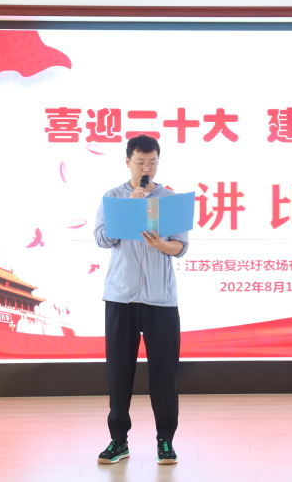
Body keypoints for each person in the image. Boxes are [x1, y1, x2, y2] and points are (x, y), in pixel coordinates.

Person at [93, 134, 188, 466]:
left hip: (161, 298)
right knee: (119, 371)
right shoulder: (113, 197)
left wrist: (162, 245)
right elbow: (102, 239)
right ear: (128, 162)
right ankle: (118, 440)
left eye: (152, 163)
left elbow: (181, 246)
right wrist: (131, 211)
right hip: (121, 296)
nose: (146, 169)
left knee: (165, 373)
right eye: (140, 162)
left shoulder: (170, 199)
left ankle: (166, 441)